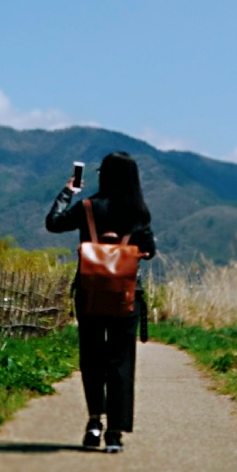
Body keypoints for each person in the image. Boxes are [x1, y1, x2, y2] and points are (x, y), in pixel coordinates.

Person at [46, 151, 155, 453]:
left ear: (103, 175)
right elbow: (149, 250)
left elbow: (53, 223)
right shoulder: (139, 213)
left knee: (92, 358)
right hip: (126, 295)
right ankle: (115, 434)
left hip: (90, 291)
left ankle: (94, 422)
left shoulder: (88, 207)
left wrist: (68, 191)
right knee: (121, 361)